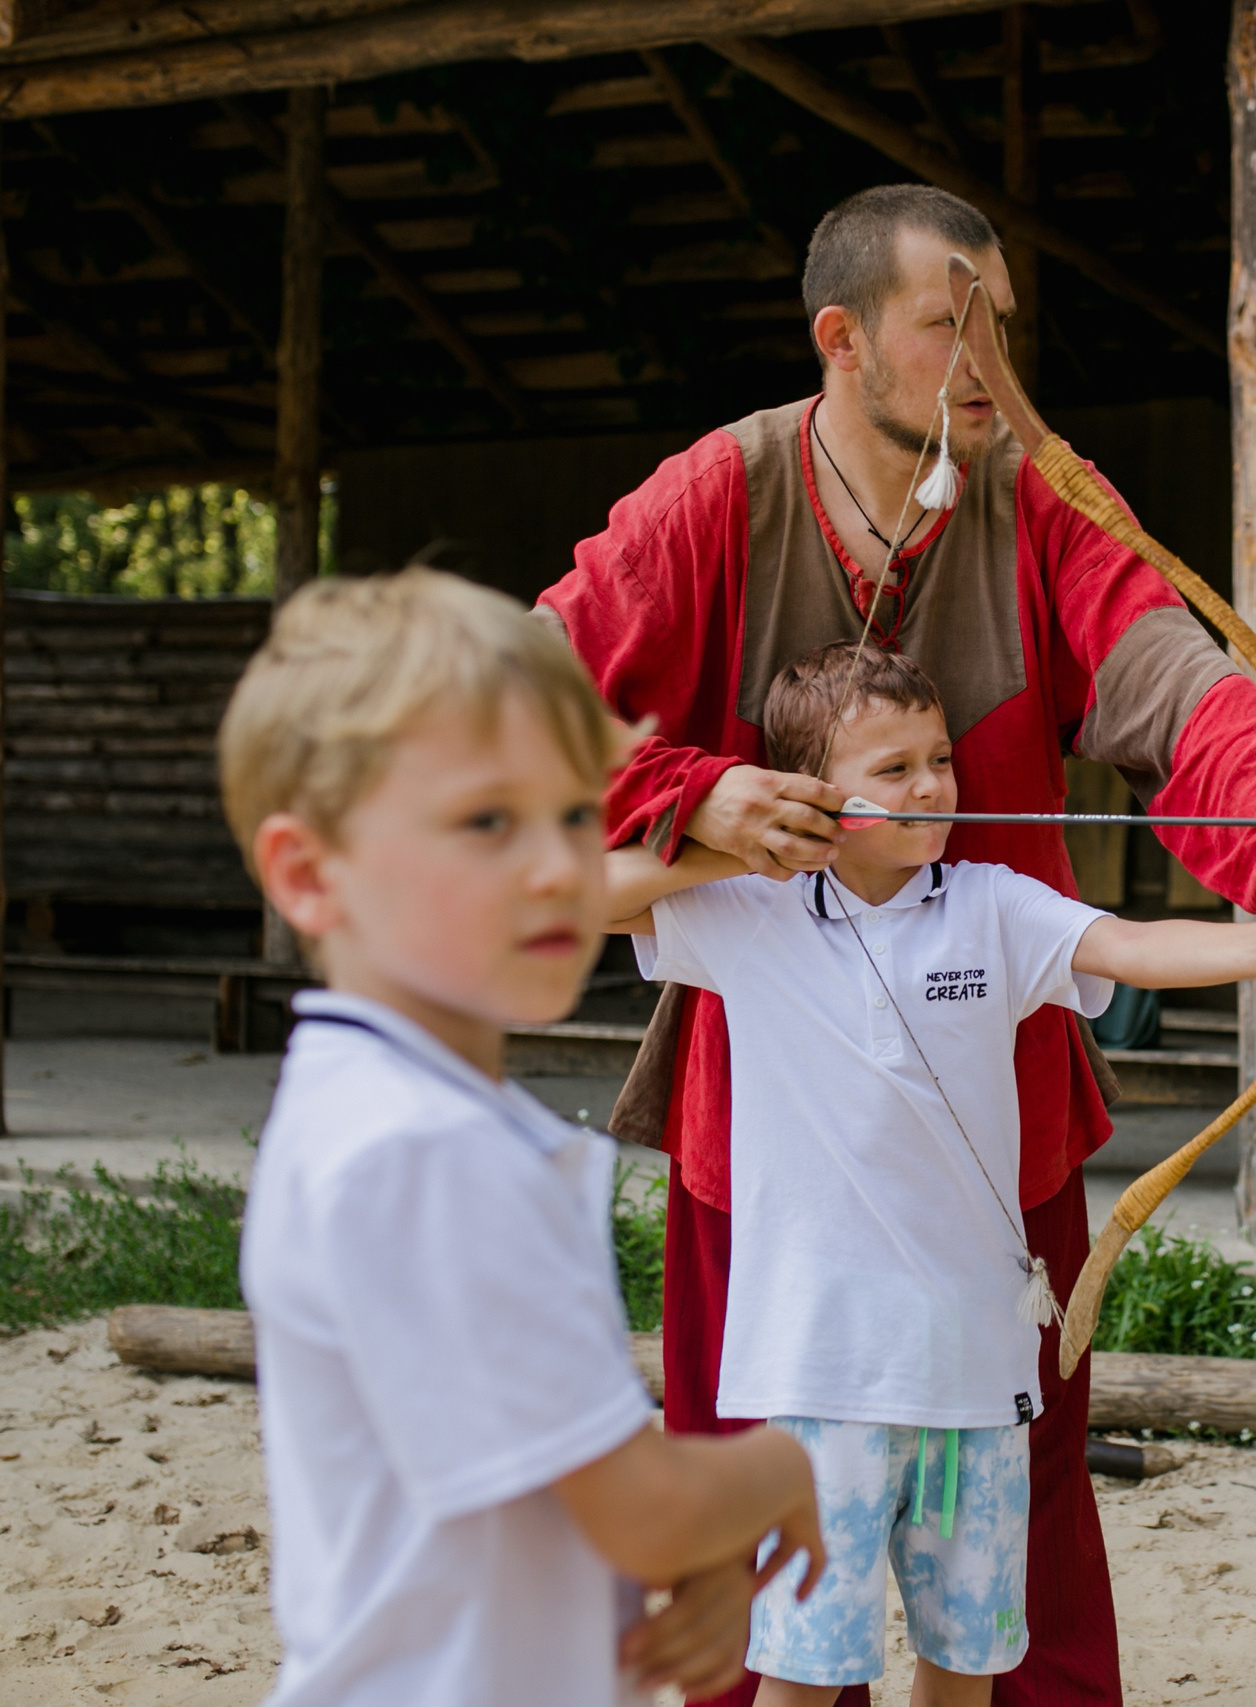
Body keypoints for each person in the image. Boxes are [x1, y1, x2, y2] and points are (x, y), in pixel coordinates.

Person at [537, 183, 1256, 1706]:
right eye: (953, 322)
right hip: (765, 1133)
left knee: (1027, 1542)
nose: (988, 361)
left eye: (1000, 324)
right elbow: (517, 709)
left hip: (986, 1109)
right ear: (844, 337)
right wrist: (696, 790)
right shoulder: (719, 496)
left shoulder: (1042, 495)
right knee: (743, 1537)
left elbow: (1179, 686)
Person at [602, 641, 1256, 1707]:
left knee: (965, 1664)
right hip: (815, 1377)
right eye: (892, 771)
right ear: (815, 793)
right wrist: (752, 843)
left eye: (939, 759)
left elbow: (1132, 948)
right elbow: (586, 897)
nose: (929, 787)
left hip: (974, 1373)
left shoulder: (992, 905)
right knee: (800, 1669)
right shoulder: (747, 919)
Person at [221, 569, 826, 1706]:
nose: (558, 866)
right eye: (487, 821)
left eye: (569, 813)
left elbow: (553, 1485)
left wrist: (687, 1543)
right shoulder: (425, 1154)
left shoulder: (368, 1101)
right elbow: (640, 1513)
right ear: (309, 874)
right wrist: (779, 1470)